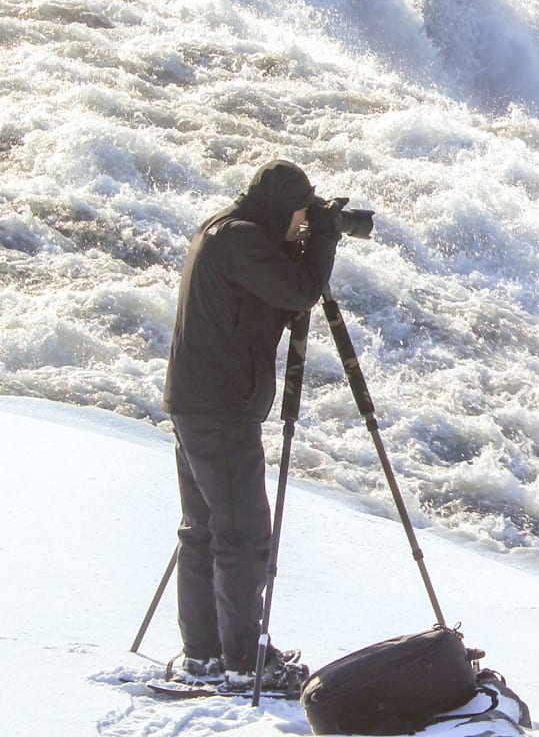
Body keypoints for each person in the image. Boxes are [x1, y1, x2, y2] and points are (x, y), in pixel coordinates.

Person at [161, 159, 340, 692]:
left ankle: (204, 655)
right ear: (285, 209)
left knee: (204, 530)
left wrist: (306, 236)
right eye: (300, 215)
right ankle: (242, 660)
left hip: (198, 402)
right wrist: (323, 242)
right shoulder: (240, 240)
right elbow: (300, 292)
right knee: (241, 536)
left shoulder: (223, 227)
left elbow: (270, 291)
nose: (303, 224)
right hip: (220, 408)